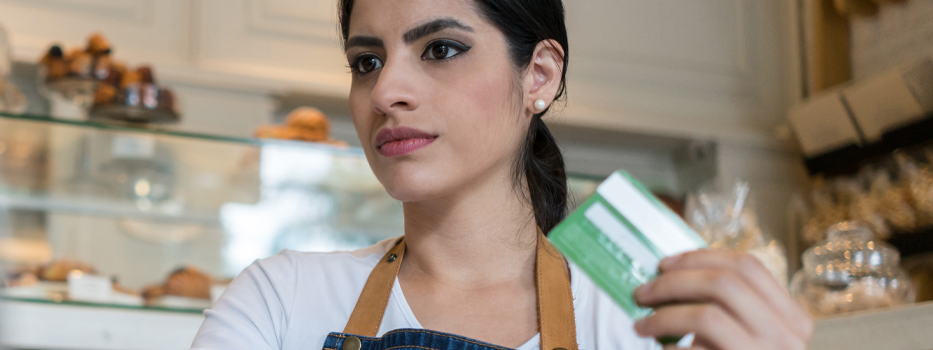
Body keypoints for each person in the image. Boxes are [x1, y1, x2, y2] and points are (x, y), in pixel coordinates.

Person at [189, 0, 813, 349]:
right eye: (366, 60)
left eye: (440, 49)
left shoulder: (646, 318)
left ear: (538, 76)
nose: (387, 90)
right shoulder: (278, 301)